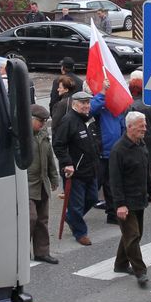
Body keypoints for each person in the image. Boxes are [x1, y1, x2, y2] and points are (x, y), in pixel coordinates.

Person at [109, 111, 151, 287]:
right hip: (126, 202)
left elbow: (146, 172)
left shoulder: (141, 145)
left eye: (144, 125)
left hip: (140, 199)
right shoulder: (118, 150)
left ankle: (121, 264)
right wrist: (120, 205)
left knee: (133, 235)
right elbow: (115, 181)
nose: (145, 129)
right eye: (141, 126)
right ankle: (140, 271)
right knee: (133, 235)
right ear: (129, 127)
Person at [51, 90, 101, 245]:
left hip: (91, 168)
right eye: (83, 103)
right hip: (75, 172)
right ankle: (80, 233)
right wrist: (67, 163)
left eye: (88, 102)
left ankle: (71, 217)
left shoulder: (89, 118)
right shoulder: (68, 121)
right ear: (74, 104)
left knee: (92, 198)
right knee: (76, 205)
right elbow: (58, 145)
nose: (86, 106)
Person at [27, 104, 61, 264]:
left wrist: (54, 178)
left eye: (45, 121)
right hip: (27, 184)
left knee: (42, 219)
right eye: (40, 121)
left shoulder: (43, 133)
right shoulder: (21, 136)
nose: (43, 124)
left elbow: (49, 157)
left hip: (42, 183)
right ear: (30, 119)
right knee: (30, 218)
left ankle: (42, 252)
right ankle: (22, 253)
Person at [90, 79, 127, 224]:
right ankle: (76, 214)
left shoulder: (118, 107)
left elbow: (122, 126)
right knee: (93, 187)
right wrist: (102, 93)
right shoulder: (99, 104)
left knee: (112, 186)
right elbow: (90, 110)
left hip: (113, 153)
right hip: (99, 153)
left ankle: (112, 214)